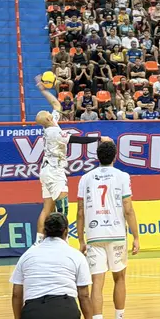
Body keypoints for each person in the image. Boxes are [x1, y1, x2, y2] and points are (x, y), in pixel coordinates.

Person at [34, 74, 113, 244]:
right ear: (48, 118)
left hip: (46, 170)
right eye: (49, 113)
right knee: (63, 208)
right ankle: (64, 242)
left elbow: (56, 104)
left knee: (47, 209)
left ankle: (38, 242)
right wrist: (100, 139)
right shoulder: (54, 132)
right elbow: (77, 140)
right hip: (55, 172)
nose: (51, 112)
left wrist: (43, 90)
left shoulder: (51, 124)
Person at [77, 141, 140, 319]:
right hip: (116, 234)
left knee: (97, 282)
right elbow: (128, 208)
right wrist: (136, 236)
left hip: (94, 235)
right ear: (115, 157)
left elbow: (80, 212)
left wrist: (81, 240)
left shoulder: (85, 178)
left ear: (98, 157)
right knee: (119, 278)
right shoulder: (122, 176)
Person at [10, 212, 95, 319]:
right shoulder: (76, 255)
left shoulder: (27, 255)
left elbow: (16, 294)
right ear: (66, 232)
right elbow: (84, 295)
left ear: (44, 231)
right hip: (65, 314)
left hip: (33, 315)